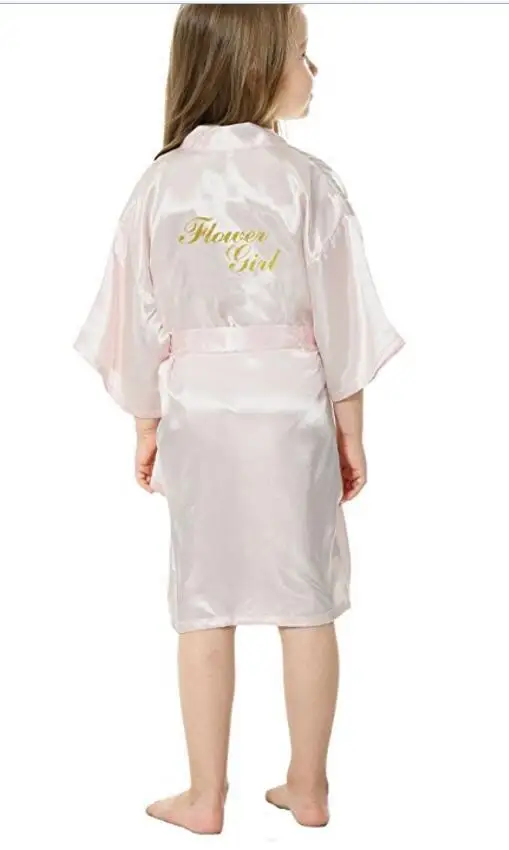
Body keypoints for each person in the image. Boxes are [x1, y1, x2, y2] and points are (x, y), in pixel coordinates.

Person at [73, 2, 405, 836]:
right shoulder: (306, 182)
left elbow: (135, 318)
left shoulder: (160, 185)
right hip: (291, 406)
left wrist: (146, 422)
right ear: (254, 67)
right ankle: (309, 787)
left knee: (204, 601)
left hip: (201, 409)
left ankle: (204, 795)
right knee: (305, 600)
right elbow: (341, 318)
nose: (312, 71)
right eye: (301, 54)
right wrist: (350, 429)